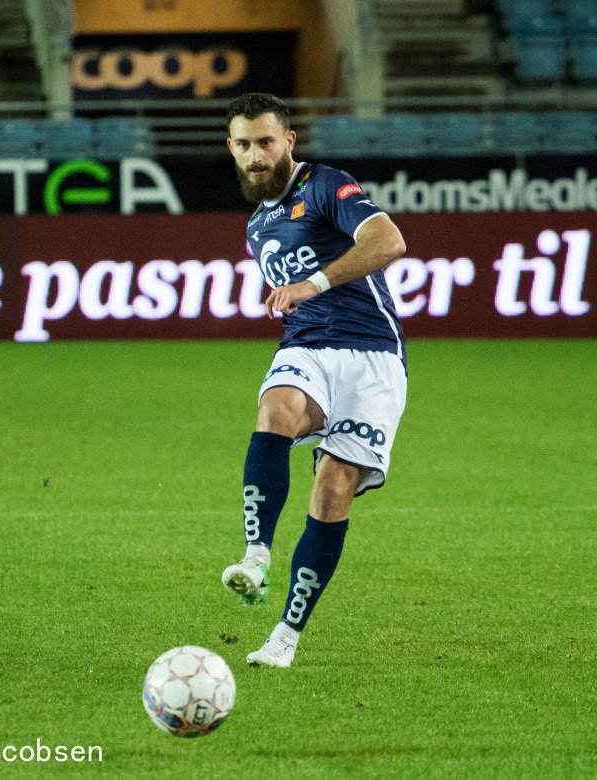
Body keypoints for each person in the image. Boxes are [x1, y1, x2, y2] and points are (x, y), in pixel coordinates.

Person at [220, 93, 408, 668]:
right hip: (307, 346)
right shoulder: (257, 226)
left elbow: (389, 242)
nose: (256, 156)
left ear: (289, 141)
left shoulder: (326, 185)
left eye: (266, 142)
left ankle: (284, 638)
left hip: (374, 356)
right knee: (276, 408)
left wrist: (313, 284)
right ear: (231, 148)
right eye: (245, 145)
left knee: (331, 491)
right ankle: (256, 557)